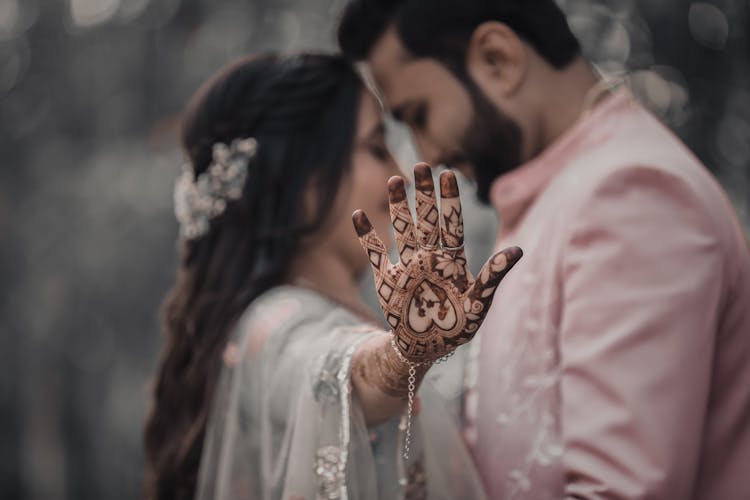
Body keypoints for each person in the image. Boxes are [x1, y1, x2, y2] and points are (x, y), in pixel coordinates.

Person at [337, 1, 750, 498]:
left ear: (497, 58)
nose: (428, 155)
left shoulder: (631, 192)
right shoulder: (558, 189)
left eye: (419, 115)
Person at [143, 53, 522, 500]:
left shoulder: (309, 313)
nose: (398, 174)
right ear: (305, 181)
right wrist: (403, 355)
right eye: (377, 148)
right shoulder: (272, 322)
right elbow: (325, 367)